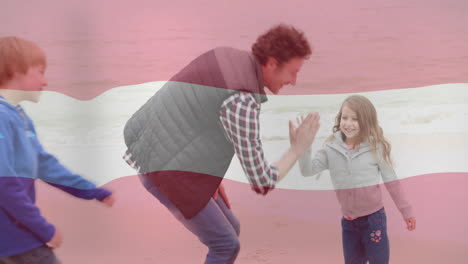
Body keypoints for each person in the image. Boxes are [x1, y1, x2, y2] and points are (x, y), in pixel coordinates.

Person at [123, 24, 320, 263]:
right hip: (161, 168)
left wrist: (208, 176)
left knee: (232, 227)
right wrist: (298, 148)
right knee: (225, 245)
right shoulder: (242, 100)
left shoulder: (227, 56)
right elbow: (261, 181)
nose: (294, 81)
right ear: (270, 63)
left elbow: (193, 115)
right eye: (292, 72)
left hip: (152, 146)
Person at [0, 36, 115, 264]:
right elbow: (3, 183)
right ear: (15, 70)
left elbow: (44, 164)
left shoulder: (18, 115)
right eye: (40, 72)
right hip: (14, 239)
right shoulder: (2, 117)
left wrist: (90, 190)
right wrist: (43, 228)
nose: (45, 81)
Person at [292, 95, 416, 264]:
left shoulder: (375, 147)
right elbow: (307, 170)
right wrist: (304, 147)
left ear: (366, 122)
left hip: (374, 220)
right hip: (349, 223)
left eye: (355, 119)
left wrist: (406, 211)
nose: (348, 123)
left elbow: (392, 182)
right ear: (339, 118)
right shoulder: (330, 148)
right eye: (345, 117)